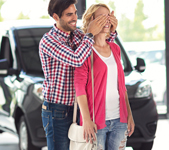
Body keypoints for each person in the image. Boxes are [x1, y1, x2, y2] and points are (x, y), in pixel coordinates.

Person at [39, 0, 118, 149]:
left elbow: (100, 45)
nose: (75, 18)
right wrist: (89, 34)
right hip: (57, 110)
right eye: (69, 15)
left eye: (75, 13)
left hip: (79, 108)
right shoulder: (49, 41)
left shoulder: (79, 36)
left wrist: (111, 30)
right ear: (56, 17)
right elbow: (77, 59)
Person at [74, 3, 135, 150]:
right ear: (91, 20)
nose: (106, 20)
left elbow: (121, 86)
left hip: (120, 120)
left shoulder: (115, 48)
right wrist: (87, 120)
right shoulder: (85, 51)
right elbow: (79, 88)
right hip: (96, 121)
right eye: (101, 17)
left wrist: (129, 115)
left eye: (108, 17)